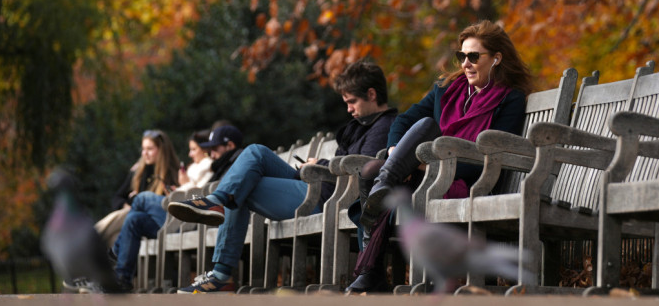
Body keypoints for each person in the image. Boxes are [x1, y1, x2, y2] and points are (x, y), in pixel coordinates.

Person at [168, 60, 397, 293]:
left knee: (241, 188)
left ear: (371, 94)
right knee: (256, 152)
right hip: (316, 185)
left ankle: (220, 272)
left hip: (327, 198)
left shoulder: (385, 126)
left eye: (352, 102)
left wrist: (320, 164)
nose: (348, 109)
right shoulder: (359, 125)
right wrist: (316, 166)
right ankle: (216, 204)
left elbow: (361, 170)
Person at [345, 20, 532, 294]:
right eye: (462, 56)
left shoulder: (510, 99)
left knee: (391, 162)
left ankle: (369, 270)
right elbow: (403, 121)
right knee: (376, 167)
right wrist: (397, 153)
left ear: (496, 58)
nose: (465, 63)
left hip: (469, 177)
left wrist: (423, 166)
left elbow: (494, 154)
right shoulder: (446, 89)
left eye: (473, 56)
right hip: (425, 174)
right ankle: (371, 268)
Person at [67, 129, 182, 293]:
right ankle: (120, 280)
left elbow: (172, 201)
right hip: (136, 219)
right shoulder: (139, 171)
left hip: (166, 222)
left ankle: (93, 250)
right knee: (133, 218)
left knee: (138, 204)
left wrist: (137, 200)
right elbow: (117, 198)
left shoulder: (174, 172)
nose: (145, 153)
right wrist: (127, 203)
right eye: (143, 149)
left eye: (150, 149)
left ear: (162, 150)